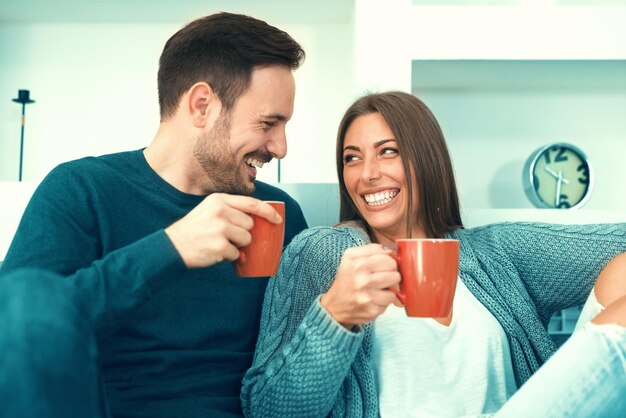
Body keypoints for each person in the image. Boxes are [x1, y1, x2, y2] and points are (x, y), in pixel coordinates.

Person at [241, 91, 626, 417]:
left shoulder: (495, 253)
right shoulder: (325, 254)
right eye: (352, 158)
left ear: (426, 159)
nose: (367, 174)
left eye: (387, 152)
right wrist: (336, 316)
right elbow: (268, 409)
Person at [0, 12, 307, 418]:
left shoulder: (278, 214)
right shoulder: (81, 189)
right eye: (268, 123)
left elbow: (299, 363)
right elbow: (16, 331)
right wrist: (169, 249)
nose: (281, 147)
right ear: (202, 106)